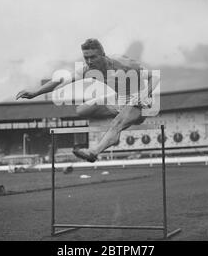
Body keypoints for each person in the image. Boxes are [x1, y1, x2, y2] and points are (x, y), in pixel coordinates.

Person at [16, 38, 160, 163]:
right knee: (82, 109)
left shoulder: (124, 65)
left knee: (116, 123)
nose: (89, 61)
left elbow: (155, 77)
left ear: (103, 55)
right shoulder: (88, 69)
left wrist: (143, 95)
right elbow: (59, 81)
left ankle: (94, 151)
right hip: (119, 99)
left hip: (142, 101)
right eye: (86, 58)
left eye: (93, 57)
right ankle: (114, 135)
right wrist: (36, 92)